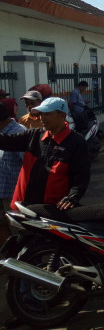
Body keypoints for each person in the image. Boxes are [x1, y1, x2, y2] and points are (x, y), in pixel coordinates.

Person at [0, 97, 90, 211]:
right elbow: (6, 141)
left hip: (53, 211)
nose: (42, 118)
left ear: (62, 115)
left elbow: (81, 176)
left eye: (47, 114)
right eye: (41, 114)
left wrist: (73, 196)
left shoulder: (76, 142)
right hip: (24, 207)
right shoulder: (34, 135)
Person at [0, 102, 26, 243]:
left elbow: (29, 166)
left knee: (18, 233)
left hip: (14, 195)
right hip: (2, 191)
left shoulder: (19, 133)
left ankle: (26, 261)